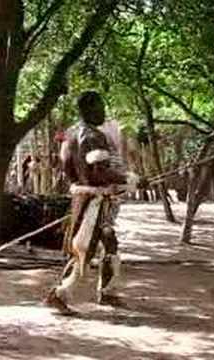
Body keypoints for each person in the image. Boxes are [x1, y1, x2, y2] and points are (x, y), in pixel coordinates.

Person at [45, 91, 141, 313]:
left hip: (83, 197)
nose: (104, 112)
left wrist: (84, 186)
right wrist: (129, 179)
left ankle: (106, 292)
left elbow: (70, 169)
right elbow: (99, 172)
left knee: (109, 243)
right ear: (88, 109)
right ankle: (59, 294)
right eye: (100, 107)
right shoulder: (93, 136)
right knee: (83, 249)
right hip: (93, 202)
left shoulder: (70, 136)